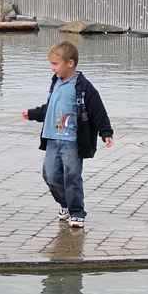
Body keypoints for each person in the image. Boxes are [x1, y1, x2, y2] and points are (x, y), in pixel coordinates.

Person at [22, 41, 113, 228]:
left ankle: (77, 212)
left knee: (72, 176)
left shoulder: (83, 87)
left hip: (72, 141)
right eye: (52, 64)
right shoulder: (55, 82)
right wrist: (33, 114)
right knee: (50, 175)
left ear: (70, 64)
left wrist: (106, 132)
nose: (52, 68)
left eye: (55, 64)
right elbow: (51, 108)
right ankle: (65, 203)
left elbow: (97, 110)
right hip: (52, 138)